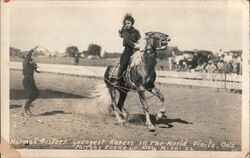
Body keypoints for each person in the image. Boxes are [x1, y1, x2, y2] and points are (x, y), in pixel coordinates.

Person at [116, 13, 141, 84]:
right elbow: (127, 40)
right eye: (125, 23)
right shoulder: (124, 31)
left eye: (128, 23)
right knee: (123, 63)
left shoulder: (136, 32)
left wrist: (139, 44)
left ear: (132, 23)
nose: (127, 25)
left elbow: (139, 39)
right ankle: (118, 79)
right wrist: (134, 44)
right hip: (128, 50)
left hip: (136, 50)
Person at [21, 46, 40, 116]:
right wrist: (34, 48)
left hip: (30, 80)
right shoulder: (26, 61)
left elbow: (32, 67)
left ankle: (27, 109)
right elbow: (29, 54)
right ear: (26, 56)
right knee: (31, 95)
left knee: (35, 94)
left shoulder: (28, 63)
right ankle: (24, 110)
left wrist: (36, 69)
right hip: (28, 81)